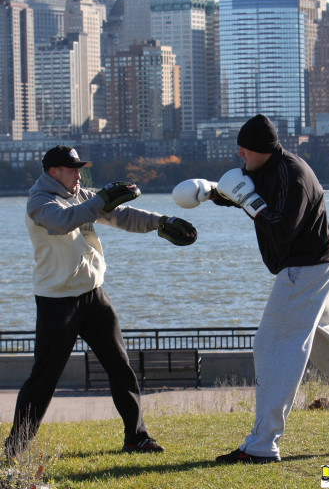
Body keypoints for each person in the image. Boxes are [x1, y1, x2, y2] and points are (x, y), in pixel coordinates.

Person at [172, 114, 329, 464]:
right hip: (316, 266)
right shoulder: (262, 168)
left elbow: (280, 227)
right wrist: (210, 192)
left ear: (260, 150)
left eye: (244, 150)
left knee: (272, 345)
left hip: (304, 269)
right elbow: (242, 191)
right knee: (323, 347)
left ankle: (263, 444)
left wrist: (250, 202)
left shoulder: (295, 176)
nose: (239, 155)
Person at [4, 145, 197, 460]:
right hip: (57, 301)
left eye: (80, 169)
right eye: (72, 169)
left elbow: (120, 214)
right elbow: (64, 221)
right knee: (44, 378)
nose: (79, 175)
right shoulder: (39, 202)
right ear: (53, 172)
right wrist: (100, 200)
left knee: (121, 367)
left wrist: (162, 221)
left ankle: (137, 437)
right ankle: (16, 447)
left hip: (94, 295)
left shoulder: (82, 195)